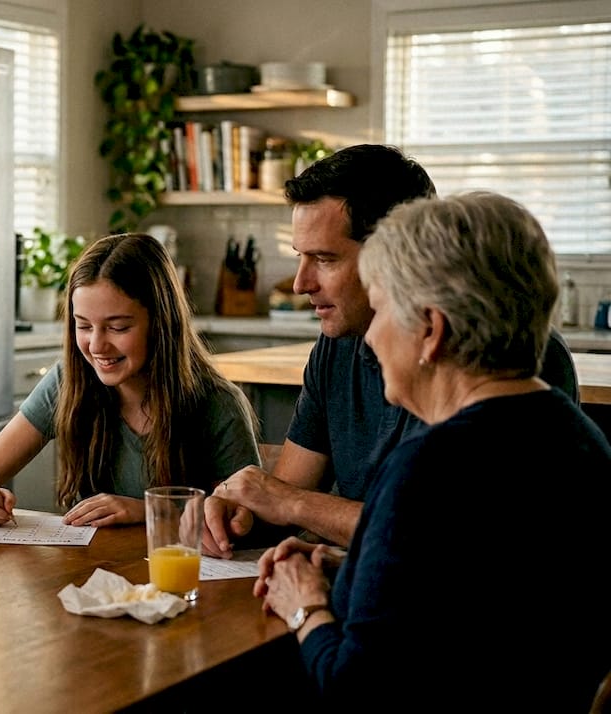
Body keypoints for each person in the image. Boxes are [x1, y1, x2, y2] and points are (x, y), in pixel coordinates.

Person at [255, 191, 611, 710]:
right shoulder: (583, 440)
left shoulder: (428, 469)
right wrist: (354, 569)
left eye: (379, 311)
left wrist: (303, 606)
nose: (371, 338)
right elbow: (483, 599)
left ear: (430, 330)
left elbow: (358, 691)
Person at [203, 144, 578, 556]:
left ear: (396, 256)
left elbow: (436, 535)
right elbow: (285, 502)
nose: (300, 283)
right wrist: (235, 516)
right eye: (300, 256)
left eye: (324, 259)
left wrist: (292, 505)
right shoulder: (336, 343)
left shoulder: (493, 357)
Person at [0, 232, 259, 527]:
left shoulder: (218, 403)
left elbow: (241, 519)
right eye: (84, 326)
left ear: (161, 323)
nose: (97, 346)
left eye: (117, 328)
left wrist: (147, 511)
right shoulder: (69, 380)